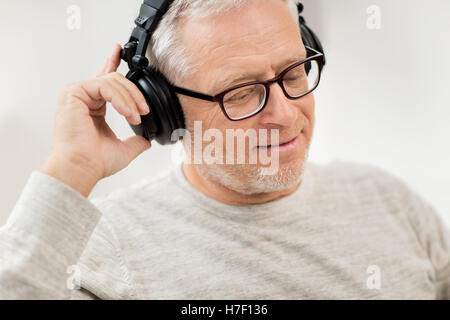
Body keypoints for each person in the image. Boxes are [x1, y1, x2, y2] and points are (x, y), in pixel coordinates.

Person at [1, 0, 449, 299]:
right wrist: (70, 169)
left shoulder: (391, 202)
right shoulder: (101, 250)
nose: (287, 114)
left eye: (294, 73)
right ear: (162, 108)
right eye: (240, 92)